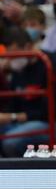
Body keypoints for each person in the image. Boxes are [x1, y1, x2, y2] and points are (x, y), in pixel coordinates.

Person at [0, 27, 50, 157]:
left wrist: (12, 117)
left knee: (10, 142)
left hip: (47, 123)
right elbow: (12, 105)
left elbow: (49, 112)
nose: (12, 60)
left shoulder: (48, 65)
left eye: (15, 54)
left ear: (28, 46)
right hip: (19, 122)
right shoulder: (18, 70)